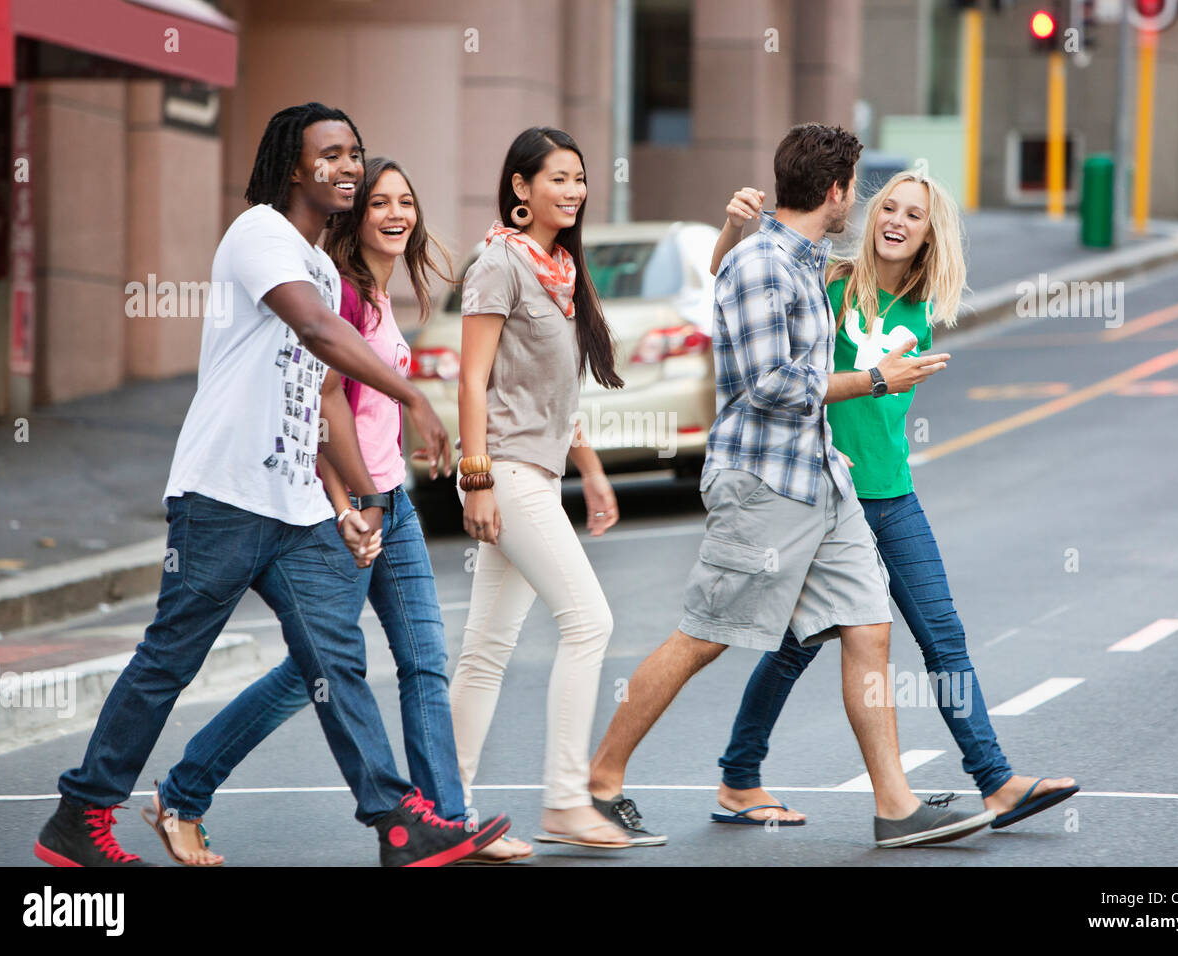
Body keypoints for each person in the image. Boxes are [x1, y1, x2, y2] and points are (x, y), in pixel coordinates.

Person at [34, 104, 508, 868]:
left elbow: (317, 399)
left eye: (356, 153)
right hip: (222, 495)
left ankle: (395, 822)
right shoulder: (259, 234)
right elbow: (320, 333)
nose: (350, 167)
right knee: (169, 659)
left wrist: (354, 498)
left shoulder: (321, 265)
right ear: (294, 166)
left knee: (335, 658)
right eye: (332, 154)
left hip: (291, 505)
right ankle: (80, 814)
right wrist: (415, 396)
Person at [587, 123, 997, 849]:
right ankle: (599, 783)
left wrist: (731, 233)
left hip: (820, 479)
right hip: (763, 482)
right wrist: (875, 378)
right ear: (837, 192)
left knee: (869, 630)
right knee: (704, 636)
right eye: (858, 192)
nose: (866, 212)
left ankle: (895, 806)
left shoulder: (803, 257)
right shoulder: (767, 264)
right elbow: (771, 383)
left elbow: (727, 282)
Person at [142, 155, 523, 864]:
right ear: (353, 214)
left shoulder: (379, 302)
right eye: (379, 201)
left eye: (405, 202)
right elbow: (318, 409)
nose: (395, 213)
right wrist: (355, 503)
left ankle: (442, 822)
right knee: (310, 672)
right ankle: (184, 792)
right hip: (346, 510)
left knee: (422, 661)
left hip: (393, 504)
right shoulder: (338, 295)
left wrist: (387, 497)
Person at [706, 172, 1079, 827]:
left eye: (916, 214)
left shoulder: (923, 311)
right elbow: (735, 289)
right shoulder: (830, 278)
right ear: (873, 214)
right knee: (797, 643)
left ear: (930, 234)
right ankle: (739, 777)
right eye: (891, 208)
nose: (899, 220)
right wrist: (735, 228)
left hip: (894, 496)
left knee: (944, 638)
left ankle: (995, 783)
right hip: (824, 493)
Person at [448, 127, 634, 851]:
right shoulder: (499, 262)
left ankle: (448, 813)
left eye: (580, 178)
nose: (573, 190)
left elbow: (554, 396)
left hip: (540, 473)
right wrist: (477, 480)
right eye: (557, 178)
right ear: (521, 187)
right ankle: (563, 798)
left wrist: (588, 469)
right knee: (589, 622)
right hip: (509, 474)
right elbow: (471, 378)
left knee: (486, 649)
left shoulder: (558, 267)